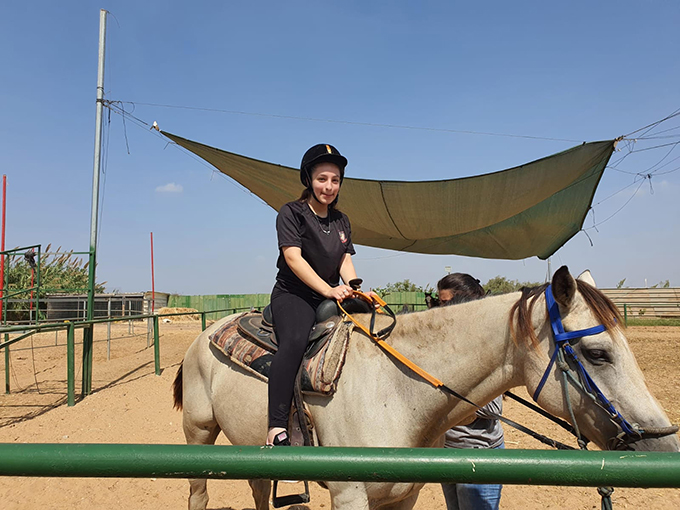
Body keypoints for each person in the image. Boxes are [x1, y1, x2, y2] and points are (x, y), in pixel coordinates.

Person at [266, 143, 360, 447]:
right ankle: (277, 425)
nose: (329, 187)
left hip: (330, 293)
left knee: (372, 325)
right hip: (295, 294)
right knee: (294, 342)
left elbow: (344, 257)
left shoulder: (341, 220)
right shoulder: (291, 213)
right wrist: (329, 290)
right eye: (322, 179)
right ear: (309, 179)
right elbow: (294, 258)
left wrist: (355, 288)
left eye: (335, 180)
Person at [436, 273, 504, 510]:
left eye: (444, 303)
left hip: (478, 454)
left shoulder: (483, 346)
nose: (439, 309)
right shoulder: (444, 344)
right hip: (449, 450)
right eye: (438, 303)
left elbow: (493, 409)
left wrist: (444, 407)